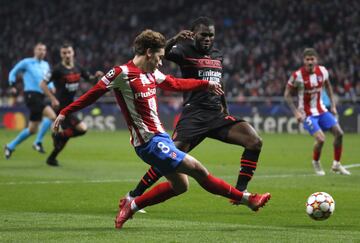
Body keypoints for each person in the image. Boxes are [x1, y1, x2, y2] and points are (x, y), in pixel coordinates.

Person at [53, 29, 271, 229]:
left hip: (162, 138)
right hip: (148, 143)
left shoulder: (151, 74)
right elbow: (92, 94)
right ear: (148, 53)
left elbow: (175, 83)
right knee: (197, 168)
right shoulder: (121, 73)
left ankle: (132, 204)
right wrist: (65, 112)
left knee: (181, 186)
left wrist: (205, 84)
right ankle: (248, 199)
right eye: (159, 57)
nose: (161, 62)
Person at [126, 17, 263, 205]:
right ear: (194, 35)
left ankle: (240, 191)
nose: (207, 38)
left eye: (211, 35)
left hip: (217, 114)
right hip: (194, 115)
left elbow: (218, 83)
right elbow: (159, 53)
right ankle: (134, 195)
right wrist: (175, 38)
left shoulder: (217, 55)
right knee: (168, 157)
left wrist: (225, 107)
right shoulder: (183, 50)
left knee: (254, 141)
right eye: (203, 35)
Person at [284, 48, 350, 176]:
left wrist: (333, 106)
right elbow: (287, 94)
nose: (310, 62)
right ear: (304, 61)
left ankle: (336, 164)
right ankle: (316, 162)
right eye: (307, 59)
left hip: (322, 110)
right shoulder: (297, 76)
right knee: (321, 139)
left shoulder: (323, 71)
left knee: (339, 133)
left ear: (316, 60)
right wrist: (296, 112)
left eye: (312, 59)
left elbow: (329, 87)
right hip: (306, 114)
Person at [40, 43, 103, 166]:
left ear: (73, 53)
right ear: (61, 54)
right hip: (61, 108)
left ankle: (52, 157)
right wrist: (52, 99)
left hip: (71, 107)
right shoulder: (57, 69)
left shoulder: (78, 67)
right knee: (82, 129)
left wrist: (96, 77)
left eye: (69, 52)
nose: (67, 55)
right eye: (64, 53)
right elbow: (42, 84)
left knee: (68, 135)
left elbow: (91, 80)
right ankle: (58, 136)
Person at [4, 43, 57, 159]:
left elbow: (48, 78)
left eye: (44, 50)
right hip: (31, 96)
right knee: (53, 116)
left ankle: (10, 146)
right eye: (39, 49)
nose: (41, 52)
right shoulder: (26, 62)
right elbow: (13, 72)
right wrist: (12, 85)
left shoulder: (46, 65)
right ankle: (39, 142)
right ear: (34, 50)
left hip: (41, 96)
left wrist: (52, 85)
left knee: (32, 129)